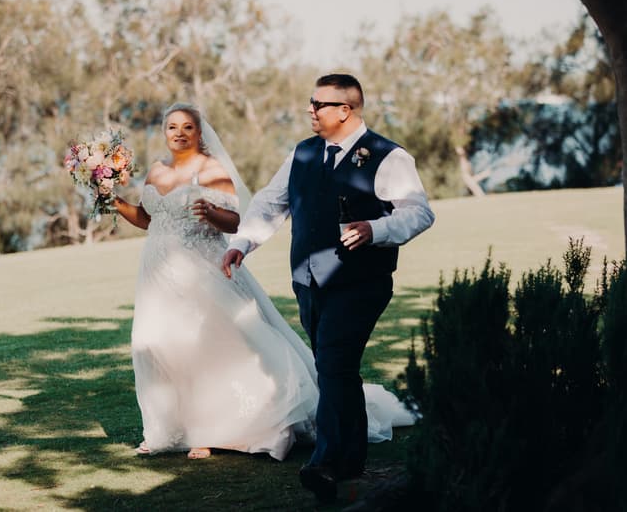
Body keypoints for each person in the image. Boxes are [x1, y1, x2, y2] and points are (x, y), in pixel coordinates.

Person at [115, 102, 414, 465]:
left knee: (207, 347)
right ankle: (167, 428)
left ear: (199, 132)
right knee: (160, 344)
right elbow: (149, 219)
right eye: (172, 127)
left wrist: (211, 213)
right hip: (157, 272)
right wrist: (112, 200)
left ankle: (213, 431)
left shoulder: (211, 169)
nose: (179, 133)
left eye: (187, 127)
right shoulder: (156, 171)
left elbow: (234, 220)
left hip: (202, 269)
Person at [222, 74, 435, 502]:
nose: (310, 110)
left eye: (319, 104)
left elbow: (419, 213)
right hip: (308, 280)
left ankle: (327, 462)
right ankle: (351, 459)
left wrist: (376, 228)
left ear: (345, 110)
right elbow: (270, 203)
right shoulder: (302, 153)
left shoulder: (388, 156)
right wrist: (242, 243)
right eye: (310, 102)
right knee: (334, 368)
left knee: (335, 362)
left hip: (361, 282)